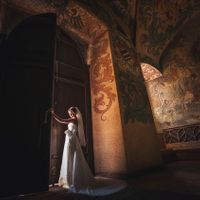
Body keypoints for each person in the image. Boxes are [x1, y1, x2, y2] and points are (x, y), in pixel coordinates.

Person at [51, 106, 127, 196]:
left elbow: (62, 120)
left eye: (72, 113)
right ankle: (69, 179)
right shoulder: (74, 120)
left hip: (72, 140)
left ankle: (73, 179)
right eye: (69, 113)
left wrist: (53, 114)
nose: (71, 114)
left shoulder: (74, 120)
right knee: (69, 157)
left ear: (75, 113)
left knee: (73, 157)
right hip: (70, 139)